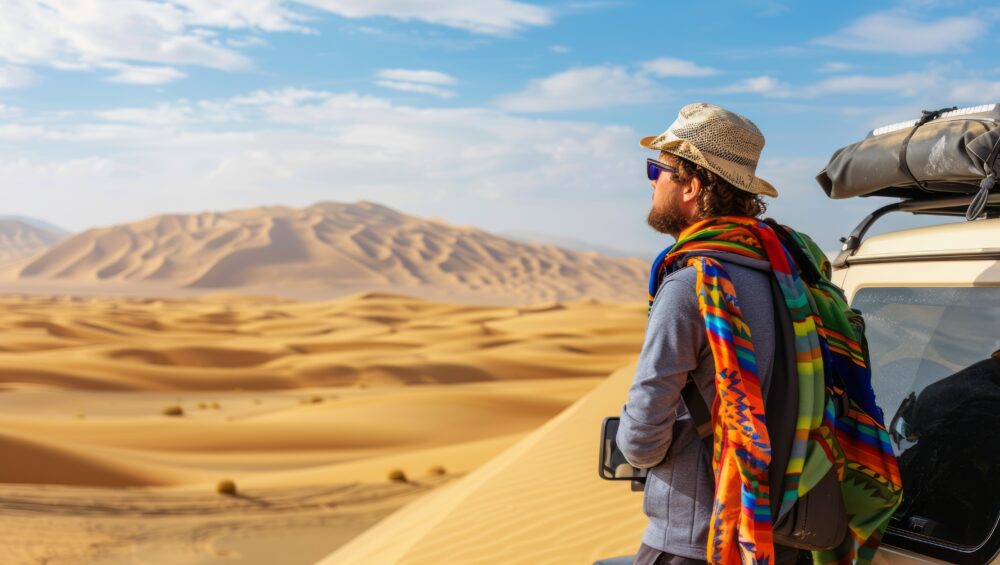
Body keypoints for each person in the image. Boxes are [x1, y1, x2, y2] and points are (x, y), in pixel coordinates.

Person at [615, 102, 796, 565]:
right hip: (780, 529)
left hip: (697, 538)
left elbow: (640, 438)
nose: (652, 182)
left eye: (658, 170)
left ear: (692, 186)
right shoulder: (789, 276)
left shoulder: (692, 286)